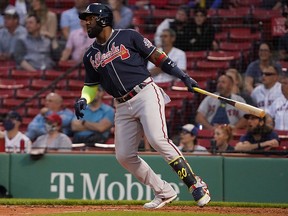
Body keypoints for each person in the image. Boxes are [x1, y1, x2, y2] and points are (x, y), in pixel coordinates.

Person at [75, 3, 210, 209]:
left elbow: (158, 57)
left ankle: (195, 184)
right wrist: (84, 98)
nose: (86, 23)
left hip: (145, 93)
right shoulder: (90, 55)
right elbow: (91, 85)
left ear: (102, 19)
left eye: (90, 18)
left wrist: (183, 76)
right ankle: (164, 192)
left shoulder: (128, 36)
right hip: (121, 105)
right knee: (124, 156)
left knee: (157, 139)